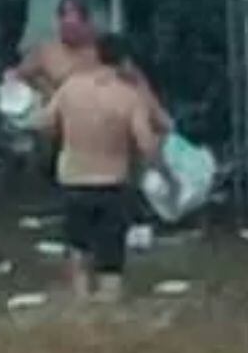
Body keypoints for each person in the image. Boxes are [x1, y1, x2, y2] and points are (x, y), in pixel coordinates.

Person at [32, 34, 170, 302]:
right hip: (113, 186)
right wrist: (165, 171)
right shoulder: (129, 96)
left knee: (78, 253)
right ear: (125, 61)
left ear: (95, 54)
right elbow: (146, 145)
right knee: (111, 267)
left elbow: (43, 124)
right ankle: (109, 313)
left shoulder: (70, 88)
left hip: (73, 183)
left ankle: (82, 306)